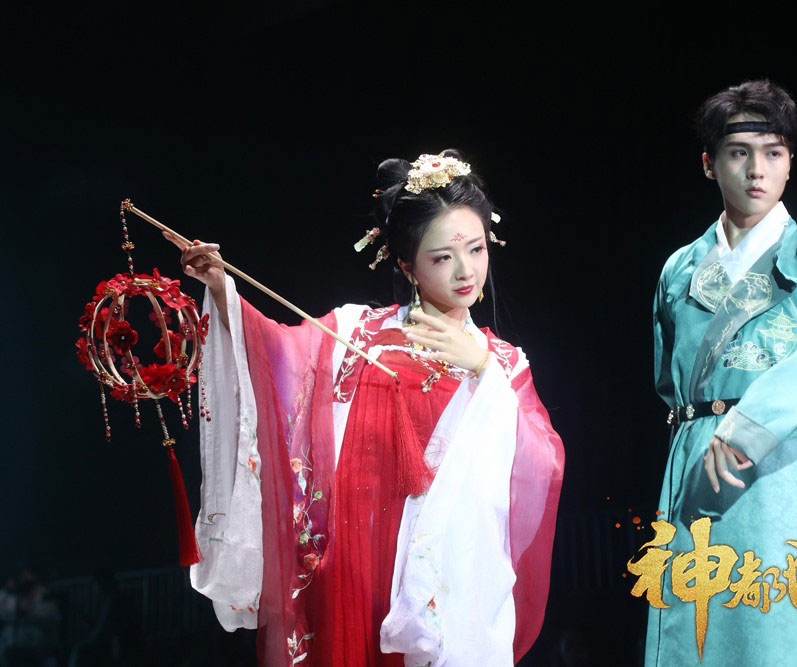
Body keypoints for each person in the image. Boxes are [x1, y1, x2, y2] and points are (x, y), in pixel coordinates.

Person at [170, 150, 565, 666]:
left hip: (441, 572)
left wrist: (483, 372)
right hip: (353, 563)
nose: (466, 271)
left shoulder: (504, 363)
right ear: (407, 266)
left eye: (476, 249)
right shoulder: (356, 333)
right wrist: (222, 288)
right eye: (442, 258)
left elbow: (544, 460)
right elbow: (276, 357)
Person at [646, 81, 797, 665]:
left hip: (786, 468)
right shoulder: (679, 268)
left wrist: (754, 419)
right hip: (698, 463)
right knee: (698, 632)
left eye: (773, 153)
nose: (757, 170)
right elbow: (668, 381)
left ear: (790, 163)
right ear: (709, 164)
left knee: (786, 634)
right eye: (738, 153)